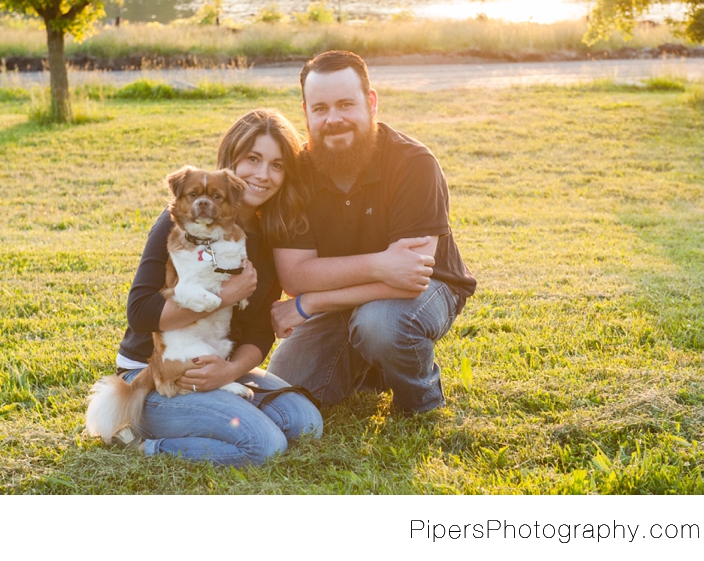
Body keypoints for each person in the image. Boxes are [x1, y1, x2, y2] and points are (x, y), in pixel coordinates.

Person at [268, 50, 477, 415]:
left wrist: (311, 304)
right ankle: (370, 371)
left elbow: (410, 279)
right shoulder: (297, 174)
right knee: (285, 389)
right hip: (352, 291)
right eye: (320, 109)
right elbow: (295, 277)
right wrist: (381, 264)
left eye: (346, 104)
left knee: (380, 324)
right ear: (306, 112)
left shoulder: (414, 164)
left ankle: (421, 402)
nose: (334, 119)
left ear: (372, 102)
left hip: (428, 288)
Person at [110, 109, 322, 466]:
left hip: (220, 364)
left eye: (277, 165)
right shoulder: (183, 221)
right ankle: (142, 439)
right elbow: (141, 311)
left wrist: (229, 371)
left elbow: (258, 331)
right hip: (156, 371)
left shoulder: (268, 235)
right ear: (232, 159)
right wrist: (225, 296)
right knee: (265, 446)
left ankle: (210, 414)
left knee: (305, 424)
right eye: (253, 159)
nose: (262, 175)